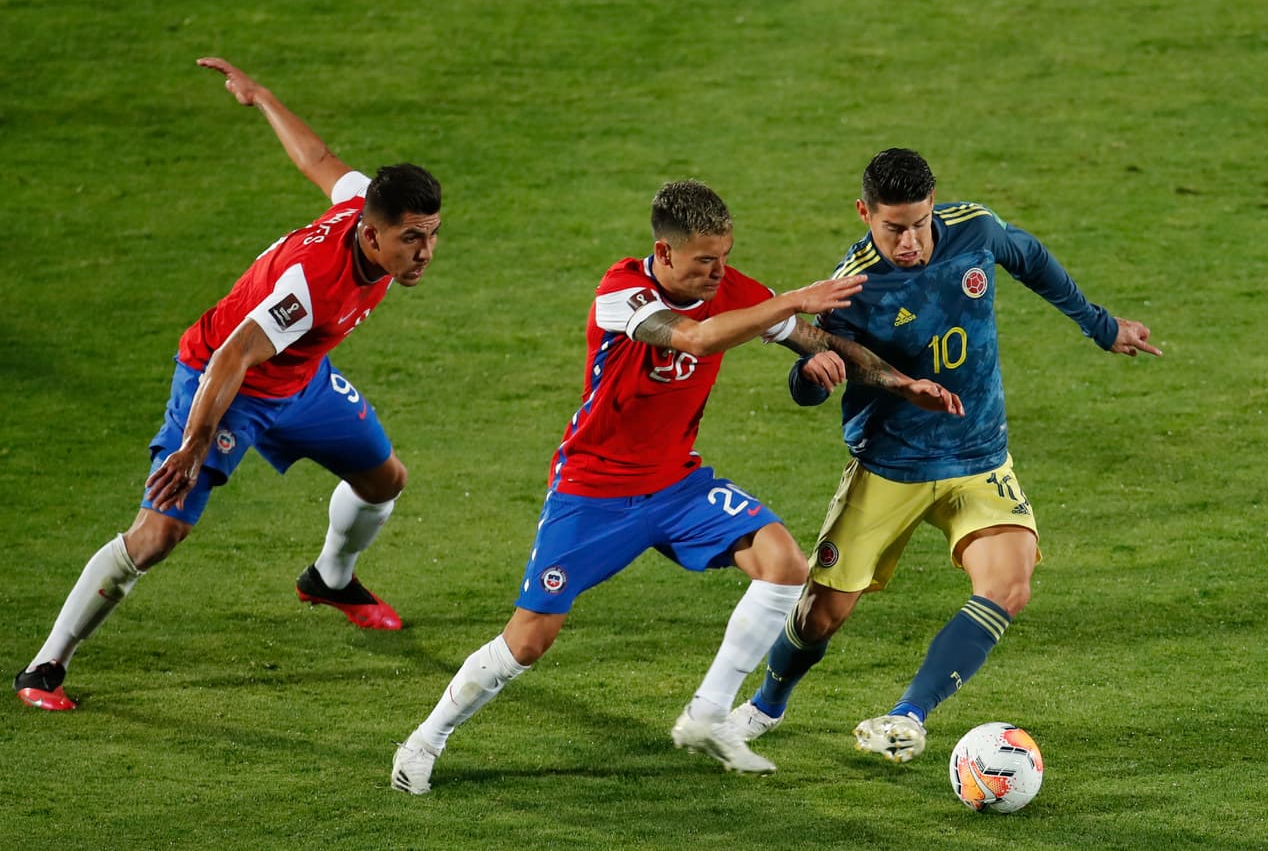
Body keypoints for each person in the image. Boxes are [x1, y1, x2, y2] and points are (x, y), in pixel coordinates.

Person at [389, 178, 964, 793]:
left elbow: (819, 339)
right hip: (594, 491)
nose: (719, 274)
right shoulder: (620, 294)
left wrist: (900, 383)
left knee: (784, 563)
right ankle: (425, 741)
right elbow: (694, 337)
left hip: (677, 484)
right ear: (664, 253)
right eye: (704, 262)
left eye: (725, 258)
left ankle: (708, 714)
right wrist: (793, 299)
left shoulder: (732, 289)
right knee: (529, 641)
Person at [13, 57, 443, 711]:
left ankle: (329, 577)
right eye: (411, 240)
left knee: (385, 479)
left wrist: (262, 96)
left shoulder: (365, 205)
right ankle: (44, 665)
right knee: (157, 536)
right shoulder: (308, 289)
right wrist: (193, 443)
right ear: (372, 234)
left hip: (300, 382)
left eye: (432, 237)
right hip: (225, 386)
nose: (424, 253)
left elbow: (318, 157)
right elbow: (233, 356)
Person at [729, 147, 1162, 762]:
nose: (910, 242)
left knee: (1010, 585)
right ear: (864, 213)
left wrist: (1099, 324)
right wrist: (812, 375)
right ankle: (766, 705)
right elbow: (808, 377)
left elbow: (1031, 257)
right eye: (893, 228)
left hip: (980, 457)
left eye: (919, 223)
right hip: (891, 465)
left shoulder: (975, 230)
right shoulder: (850, 288)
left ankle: (908, 715)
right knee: (822, 616)